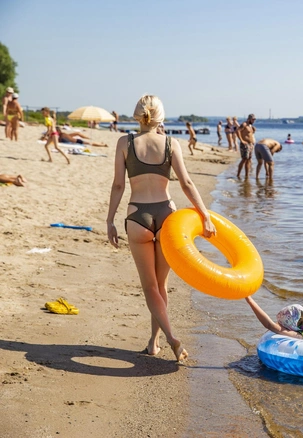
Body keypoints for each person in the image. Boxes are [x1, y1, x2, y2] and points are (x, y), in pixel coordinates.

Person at [106, 95, 216, 362]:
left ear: (136, 116)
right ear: (161, 118)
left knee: (150, 287)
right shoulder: (171, 143)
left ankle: (166, 339)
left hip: (137, 217)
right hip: (167, 217)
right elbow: (187, 182)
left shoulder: (125, 142)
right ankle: (156, 342)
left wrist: (110, 220)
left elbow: (118, 185)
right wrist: (205, 215)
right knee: (161, 284)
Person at [236, 114, 257, 178]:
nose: (254, 121)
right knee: (244, 159)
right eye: (253, 119)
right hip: (245, 144)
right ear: (249, 119)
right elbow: (237, 131)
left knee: (248, 160)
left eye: (254, 120)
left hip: (251, 144)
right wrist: (241, 140)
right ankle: (238, 174)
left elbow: (250, 134)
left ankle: (246, 175)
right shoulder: (244, 124)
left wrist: (254, 130)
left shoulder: (250, 126)